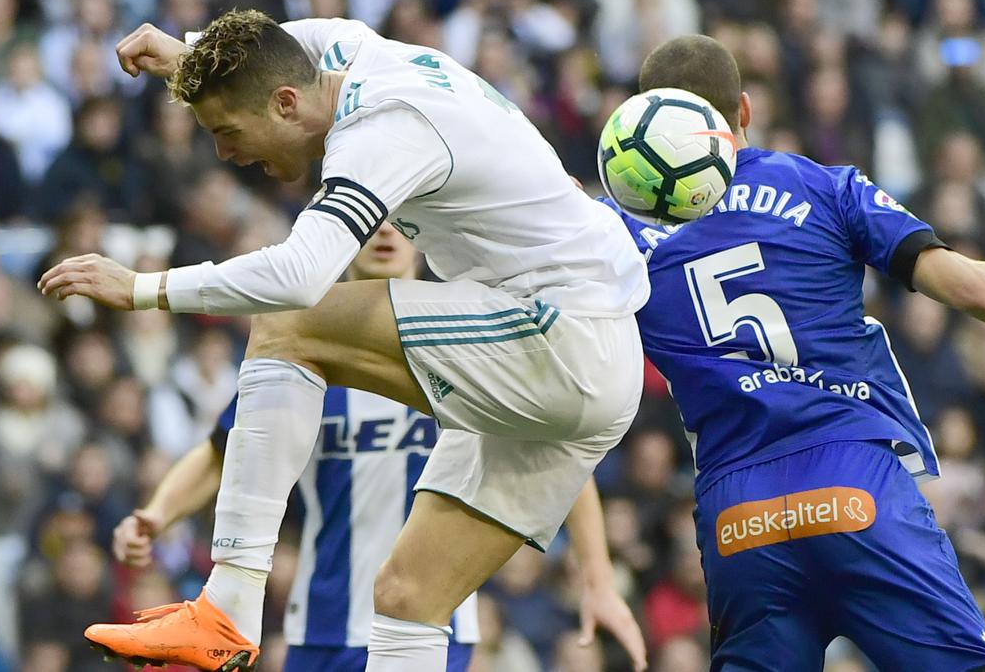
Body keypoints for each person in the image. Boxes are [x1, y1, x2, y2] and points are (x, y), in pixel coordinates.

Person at [38, 11, 649, 672]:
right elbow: (274, 48)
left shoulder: (380, 130)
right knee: (407, 596)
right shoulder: (349, 48)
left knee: (286, 326)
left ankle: (228, 604)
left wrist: (141, 289)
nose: (225, 154)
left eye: (227, 132)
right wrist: (187, 56)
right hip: (593, 358)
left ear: (286, 105)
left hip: (557, 331)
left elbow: (300, 278)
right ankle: (228, 611)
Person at [599, 35, 985, 671]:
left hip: (737, 515)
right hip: (852, 481)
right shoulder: (820, 187)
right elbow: (972, 287)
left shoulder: (612, 236)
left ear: (639, 118)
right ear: (743, 111)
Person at [111, 224, 645, 672]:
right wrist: (158, 514)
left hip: (438, 618)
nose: (386, 230)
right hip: (322, 622)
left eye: (402, 221)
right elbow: (224, 450)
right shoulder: (304, 354)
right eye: (371, 221)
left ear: (423, 236)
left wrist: (598, 579)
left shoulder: (476, 349)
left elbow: (557, 461)